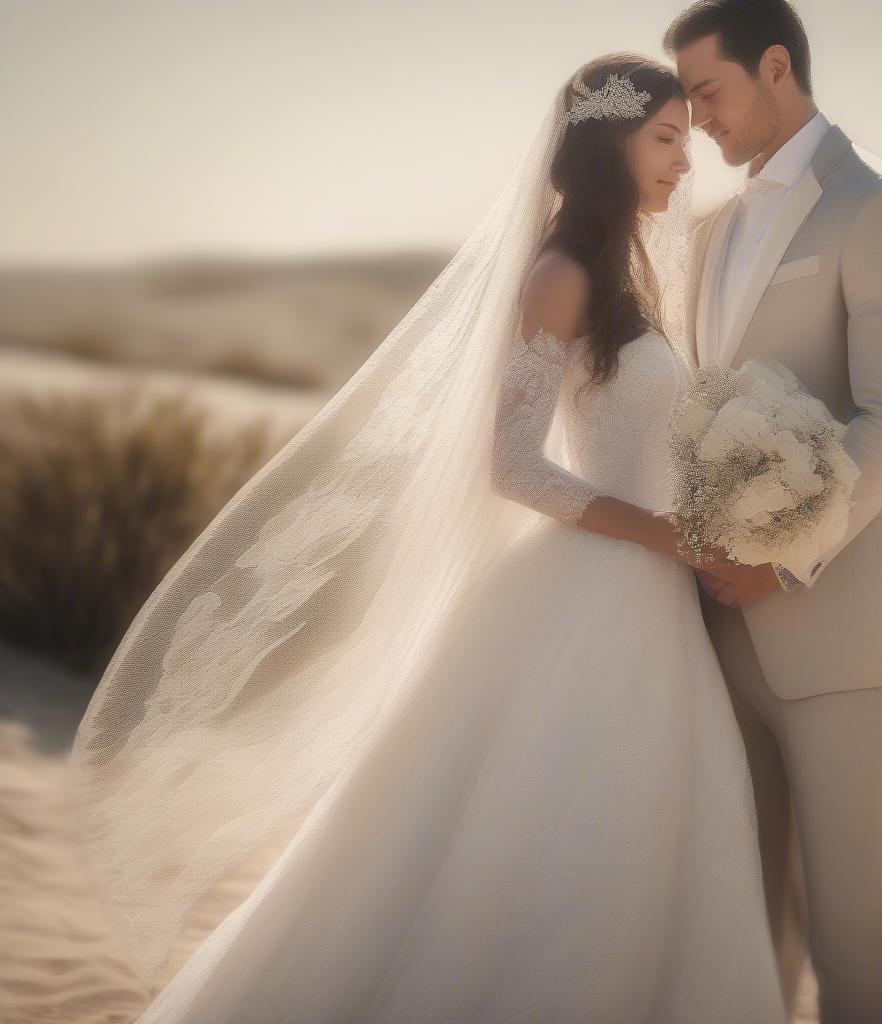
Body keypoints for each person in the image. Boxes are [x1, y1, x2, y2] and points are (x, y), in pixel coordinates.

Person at [66, 54, 787, 1022]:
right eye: (664, 139)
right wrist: (673, 537)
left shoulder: (626, 276)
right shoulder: (562, 274)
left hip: (651, 596)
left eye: (687, 141)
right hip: (591, 595)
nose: (684, 162)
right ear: (605, 145)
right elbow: (513, 464)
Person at [664, 2, 882, 1022]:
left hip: (846, 624)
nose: (694, 116)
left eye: (706, 89)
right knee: (746, 913)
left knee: (846, 912)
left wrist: (787, 560)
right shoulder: (710, 230)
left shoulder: (881, 207)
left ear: (777, 65)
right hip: (718, 623)